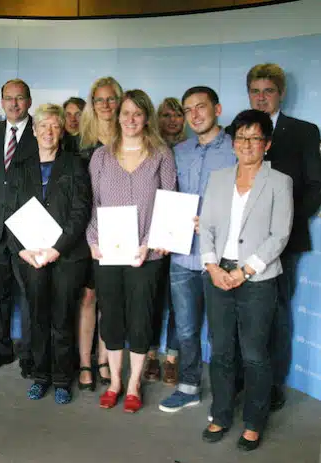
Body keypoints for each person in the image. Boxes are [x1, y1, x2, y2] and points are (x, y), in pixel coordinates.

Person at [200, 109, 293, 451]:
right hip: (217, 275)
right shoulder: (219, 177)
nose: (247, 144)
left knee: (254, 354)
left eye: (255, 138)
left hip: (257, 279)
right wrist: (212, 268)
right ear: (233, 141)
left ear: (266, 144)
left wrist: (245, 270)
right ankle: (221, 414)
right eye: (241, 137)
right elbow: (207, 227)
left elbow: (279, 235)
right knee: (222, 351)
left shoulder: (280, 182)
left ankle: (254, 421)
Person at [231, 63, 321, 411]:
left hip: (284, 241)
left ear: (280, 93)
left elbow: (315, 186)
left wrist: (282, 226)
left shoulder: (303, 131)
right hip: (238, 241)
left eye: (268, 91)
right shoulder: (237, 131)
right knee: (240, 312)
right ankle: (241, 378)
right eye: (255, 91)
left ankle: (271, 385)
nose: (261, 97)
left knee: (276, 313)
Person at [86, 89, 176, 412]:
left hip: (146, 255)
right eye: (126, 113)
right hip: (107, 253)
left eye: (138, 113)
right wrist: (93, 241)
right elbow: (92, 205)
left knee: (140, 319)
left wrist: (149, 242)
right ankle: (115, 382)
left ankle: (134, 383)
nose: (131, 119)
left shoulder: (162, 154)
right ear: (117, 116)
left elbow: (169, 203)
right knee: (111, 318)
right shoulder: (101, 156)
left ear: (146, 117)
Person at [158, 87, 236, 413]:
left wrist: (213, 220)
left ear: (217, 109)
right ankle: (189, 387)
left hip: (220, 256)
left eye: (200, 107)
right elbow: (167, 194)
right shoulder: (180, 150)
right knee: (187, 329)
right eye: (188, 109)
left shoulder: (236, 149)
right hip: (181, 254)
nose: (194, 115)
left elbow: (247, 200)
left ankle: (224, 396)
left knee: (222, 333)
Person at [7, 103, 91, 404]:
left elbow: (80, 212)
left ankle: (62, 379)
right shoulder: (19, 165)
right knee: (38, 317)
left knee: (62, 319)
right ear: (34, 130)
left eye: (55, 126)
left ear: (62, 130)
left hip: (66, 256)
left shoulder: (75, 163)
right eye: (43, 126)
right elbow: (11, 211)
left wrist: (57, 248)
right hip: (31, 256)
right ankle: (40, 376)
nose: (49, 131)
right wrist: (23, 250)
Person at [0, 78, 38, 378]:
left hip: (28, 229)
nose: (14, 104)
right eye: (8, 98)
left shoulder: (43, 132)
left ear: (29, 101)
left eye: (20, 98)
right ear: (1, 102)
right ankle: (0, 349)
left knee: (29, 295)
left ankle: (30, 355)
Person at [76, 76, 123, 390]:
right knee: (88, 296)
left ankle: (105, 358)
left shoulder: (131, 136)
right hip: (85, 229)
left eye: (111, 99)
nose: (105, 105)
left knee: (111, 298)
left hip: (121, 229)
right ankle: (84, 363)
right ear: (91, 105)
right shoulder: (78, 141)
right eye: (99, 100)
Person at [144, 96, 187, 384]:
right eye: (166, 115)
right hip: (152, 237)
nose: (172, 120)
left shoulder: (190, 150)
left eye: (178, 115)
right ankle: (150, 355)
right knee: (152, 300)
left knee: (178, 302)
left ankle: (171, 358)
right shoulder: (150, 150)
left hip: (183, 237)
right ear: (157, 119)